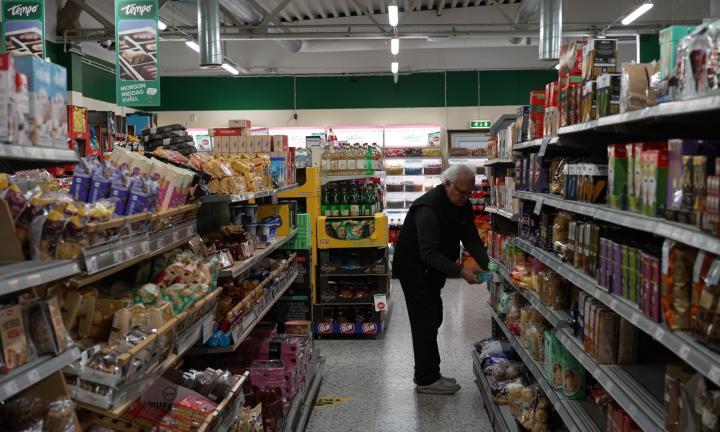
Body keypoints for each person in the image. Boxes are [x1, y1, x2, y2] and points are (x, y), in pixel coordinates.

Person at [392, 164, 490, 395]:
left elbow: (471, 238)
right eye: (462, 192)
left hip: (432, 270)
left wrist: (490, 266)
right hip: (413, 269)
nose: (466, 198)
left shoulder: (462, 204)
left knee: (434, 317)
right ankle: (426, 380)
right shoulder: (429, 208)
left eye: (470, 193)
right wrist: (460, 272)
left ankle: (431, 372)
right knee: (424, 321)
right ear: (447, 185)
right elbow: (429, 253)